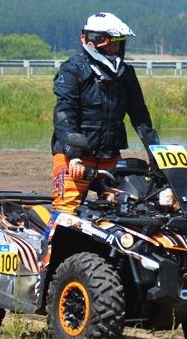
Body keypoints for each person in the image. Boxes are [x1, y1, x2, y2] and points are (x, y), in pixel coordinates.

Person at [51, 12, 159, 213]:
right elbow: (64, 113)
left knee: (129, 210)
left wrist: (157, 153)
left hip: (111, 158)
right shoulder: (73, 69)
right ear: (93, 40)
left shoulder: (126, 73)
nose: (113, 48)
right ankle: (48, 244)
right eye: (109, 43)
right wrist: (73, 154)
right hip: (75, 158)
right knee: (65, 213)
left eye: (118, 44)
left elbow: (140, 117)